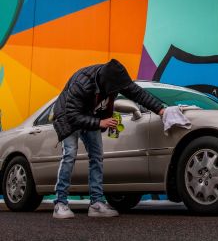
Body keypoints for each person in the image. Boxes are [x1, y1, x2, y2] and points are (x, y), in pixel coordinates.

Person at [52, 59, 165, 219]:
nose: (117, 92)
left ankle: (96, 204)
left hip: (90, 114)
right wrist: (100, 122)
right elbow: (72, 115)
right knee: (69, 155)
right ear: (106, 83)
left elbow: (138, 93)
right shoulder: (82, 83)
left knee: (97, 157)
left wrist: (161, 110)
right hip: (68, 116)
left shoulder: (115, 78)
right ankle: (60, 203)